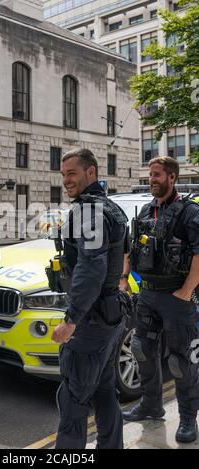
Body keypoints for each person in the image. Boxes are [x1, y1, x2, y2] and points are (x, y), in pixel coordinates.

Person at [51, 148, 129, 449]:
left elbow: (91, 267)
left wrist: (72, 320)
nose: (66, 180)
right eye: (63, 174)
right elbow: (121, 257)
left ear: (91, 171)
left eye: (72, 173)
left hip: (91, 322)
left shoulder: (88, 211)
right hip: (110, 316)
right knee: (104, 391)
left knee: (72, 400)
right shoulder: (111, 207)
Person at [123, 156, 199, 443]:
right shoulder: (145, 211)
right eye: (150, 175)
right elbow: (130, 249)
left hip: (177, 297)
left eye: (157, 175)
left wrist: (187, 290)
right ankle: (151, 405)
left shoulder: (189, 212)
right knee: (142, 349)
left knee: (181, 361)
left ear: (172, 177)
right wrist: (124, 278)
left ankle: (189, 417)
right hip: (148, 293)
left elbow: (198, 254)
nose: (152, 179)